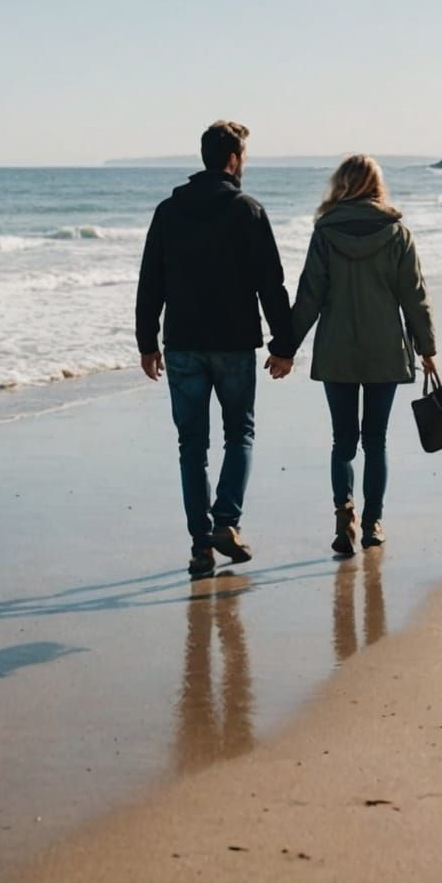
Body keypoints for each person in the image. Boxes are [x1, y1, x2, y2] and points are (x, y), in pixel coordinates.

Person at [135, 121, 297, 580]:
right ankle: (226, 522)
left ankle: (200, 548)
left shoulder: (168, 211)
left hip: (183, 343)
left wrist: (147, 342)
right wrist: (283, 345)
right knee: (239, 435)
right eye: (243, 157)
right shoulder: (248, 210)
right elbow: (272, 283)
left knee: (192, 447)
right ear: (232, 160)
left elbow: (151, 280)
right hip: (233, 344)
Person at [288, 154, 438, 556]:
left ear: (342, 184)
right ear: (376, 185)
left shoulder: (325, 232)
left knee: (343, 441)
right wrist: (427, 349)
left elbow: (309, 296)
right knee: (376, 440)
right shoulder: (397, 233)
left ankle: (344, 514)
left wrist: (285, 348)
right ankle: (373, 523)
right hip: (384, 351)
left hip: (336, 351)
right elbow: (414, 296)